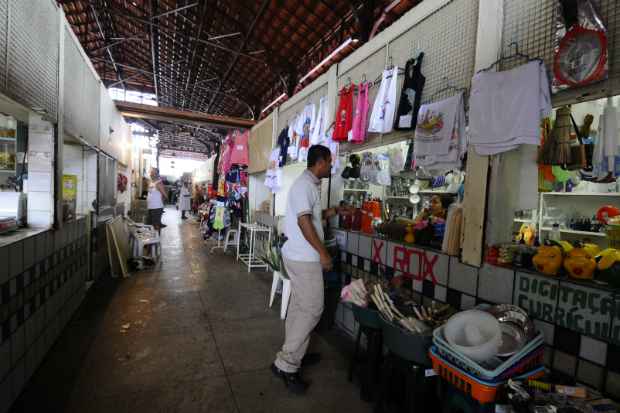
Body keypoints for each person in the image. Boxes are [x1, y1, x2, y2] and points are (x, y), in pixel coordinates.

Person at [271, 145, 351, 394]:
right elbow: (305, 223)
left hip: (297, 256)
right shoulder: (305, 186)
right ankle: (286, 363)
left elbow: (313, 216)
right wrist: (324, 254)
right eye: (329, 162)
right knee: (314, 309)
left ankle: (294, 355)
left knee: (299, 307)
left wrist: (336, 210)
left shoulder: (308, 185)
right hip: (305, 258)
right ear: (320, 162)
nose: (331, 166)